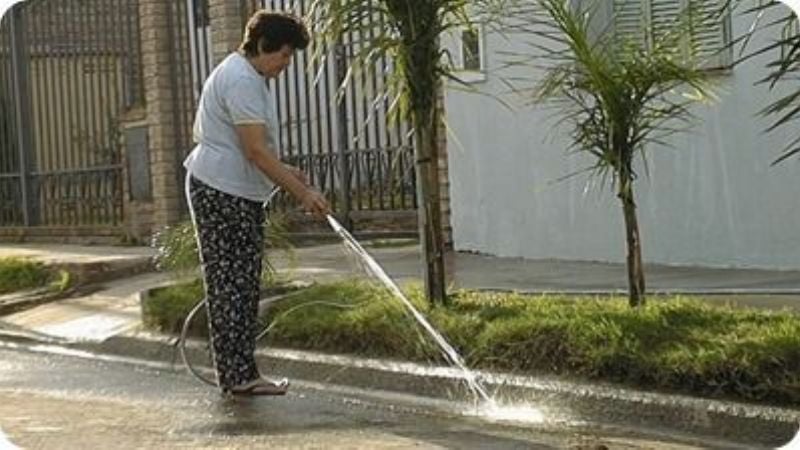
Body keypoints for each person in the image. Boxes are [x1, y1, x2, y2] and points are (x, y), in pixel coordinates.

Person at [183, 10, 331, 396]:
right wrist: (304, 194)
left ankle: (237, 374)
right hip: (222, 191)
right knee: (234, 284)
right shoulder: (242, 81)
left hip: (225, 187)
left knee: (236, 284)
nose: (286, 64)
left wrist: (289, 173)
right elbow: (255, 153)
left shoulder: (244, 75)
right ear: (264, 46)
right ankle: (240, 377)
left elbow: (257, 151)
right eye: (284, 55)